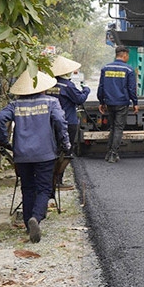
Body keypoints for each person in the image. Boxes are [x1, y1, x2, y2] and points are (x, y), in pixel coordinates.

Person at [0, 70, 71, 244]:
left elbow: (0, 118)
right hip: (45, 154)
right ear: (43, 88)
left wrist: (4, 140)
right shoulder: (51, 102)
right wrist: (65, 144)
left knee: (27, 188)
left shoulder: (15, 105)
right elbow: (60, 122)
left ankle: (29, 226)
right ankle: (36, 217)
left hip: (22, 154)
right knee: (44, 188)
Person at [48, 55, 90, 190]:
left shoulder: (49, 84)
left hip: (50, 122)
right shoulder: (68, 85)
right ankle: (58, 180)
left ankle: (50, 179)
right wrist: (86, 90)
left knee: (53, 149)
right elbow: (79, 99)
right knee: (65, 151)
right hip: (67, 122)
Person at [97, 46, 138, 163]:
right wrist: (135, 102)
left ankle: (109, 152)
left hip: (109, 102)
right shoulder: (128, 70)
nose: (128, 58)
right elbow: (131, 89)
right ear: (124, 55)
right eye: (128, 56)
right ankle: (113, 154)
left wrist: (101, 101)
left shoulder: (106, 68)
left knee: (112, 127)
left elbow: (101, 87)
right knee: (118, 128)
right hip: (122, 103)